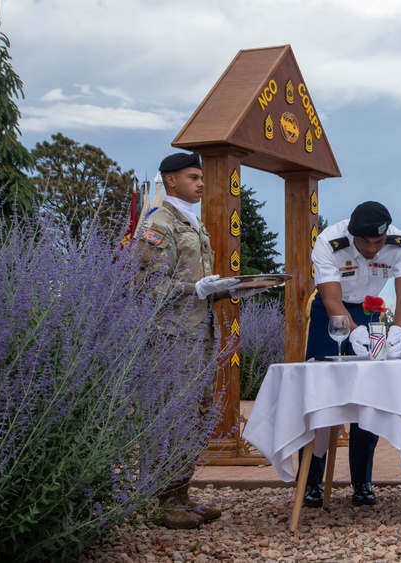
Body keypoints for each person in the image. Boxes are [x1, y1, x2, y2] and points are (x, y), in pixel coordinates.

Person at [138, 152, 267, 529]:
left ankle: (180, 495)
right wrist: (195, 287)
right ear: (170, 180)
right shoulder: (159, 225)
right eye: (193, 177)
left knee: (194, 419)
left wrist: (229, 289)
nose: (200, 183)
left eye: (201, 177)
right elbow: (147, 286)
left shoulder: (195, 225)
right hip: (169, 338)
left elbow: (200, 288)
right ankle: (162, 501)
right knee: (169, 418)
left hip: (198, 336)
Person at [302, 201, 401, 509]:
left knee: (370, 397)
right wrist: (352, 332)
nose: (371, 248)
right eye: (364, 242)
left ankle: (362, 481)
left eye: (378, 242)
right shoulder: (329, 241)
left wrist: (399, 330)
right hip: (331, 314)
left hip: (370, 310)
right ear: (352, 235)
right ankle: (311, 481)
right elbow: (331, 299)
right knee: (321, 396)